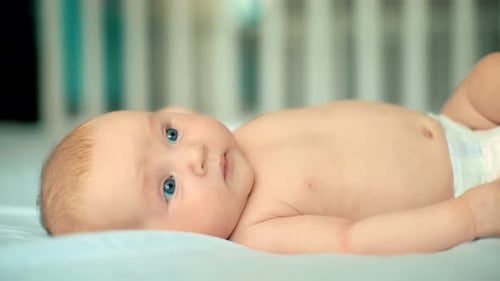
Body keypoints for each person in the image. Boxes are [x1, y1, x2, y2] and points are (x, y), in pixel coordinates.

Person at [39, 52, 500, 255]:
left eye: (171, 134)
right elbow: (355, 240)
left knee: (489, 73)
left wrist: (458, 121)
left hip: (458, 122)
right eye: (168, 186)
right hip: (472, 180)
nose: (194, 156)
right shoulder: (258, 230)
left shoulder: (244, 137)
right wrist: (468, 219)